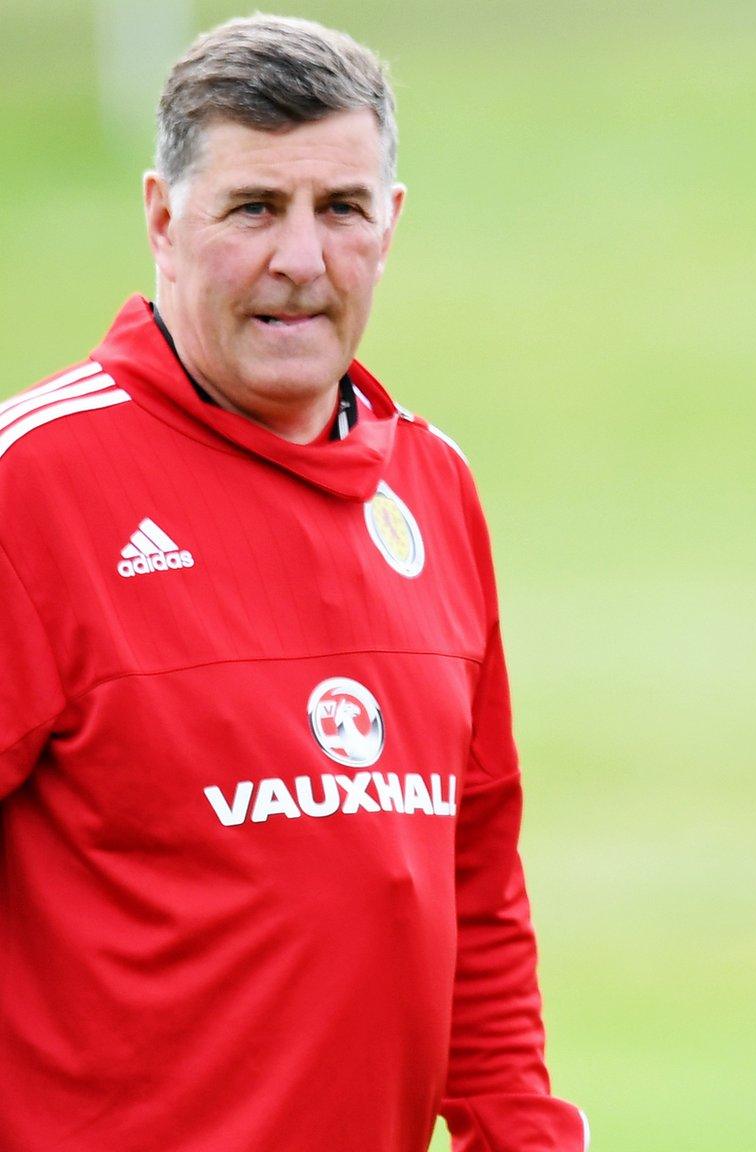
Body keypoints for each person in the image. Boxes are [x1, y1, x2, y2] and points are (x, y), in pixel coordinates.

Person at [0, 16, 584, 1150]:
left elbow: (473, 882)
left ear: (392, 223)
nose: (301, 262)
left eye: (342, 210)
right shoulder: (36, 488)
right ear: (163, 219)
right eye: (255, 207)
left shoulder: (435, 486)